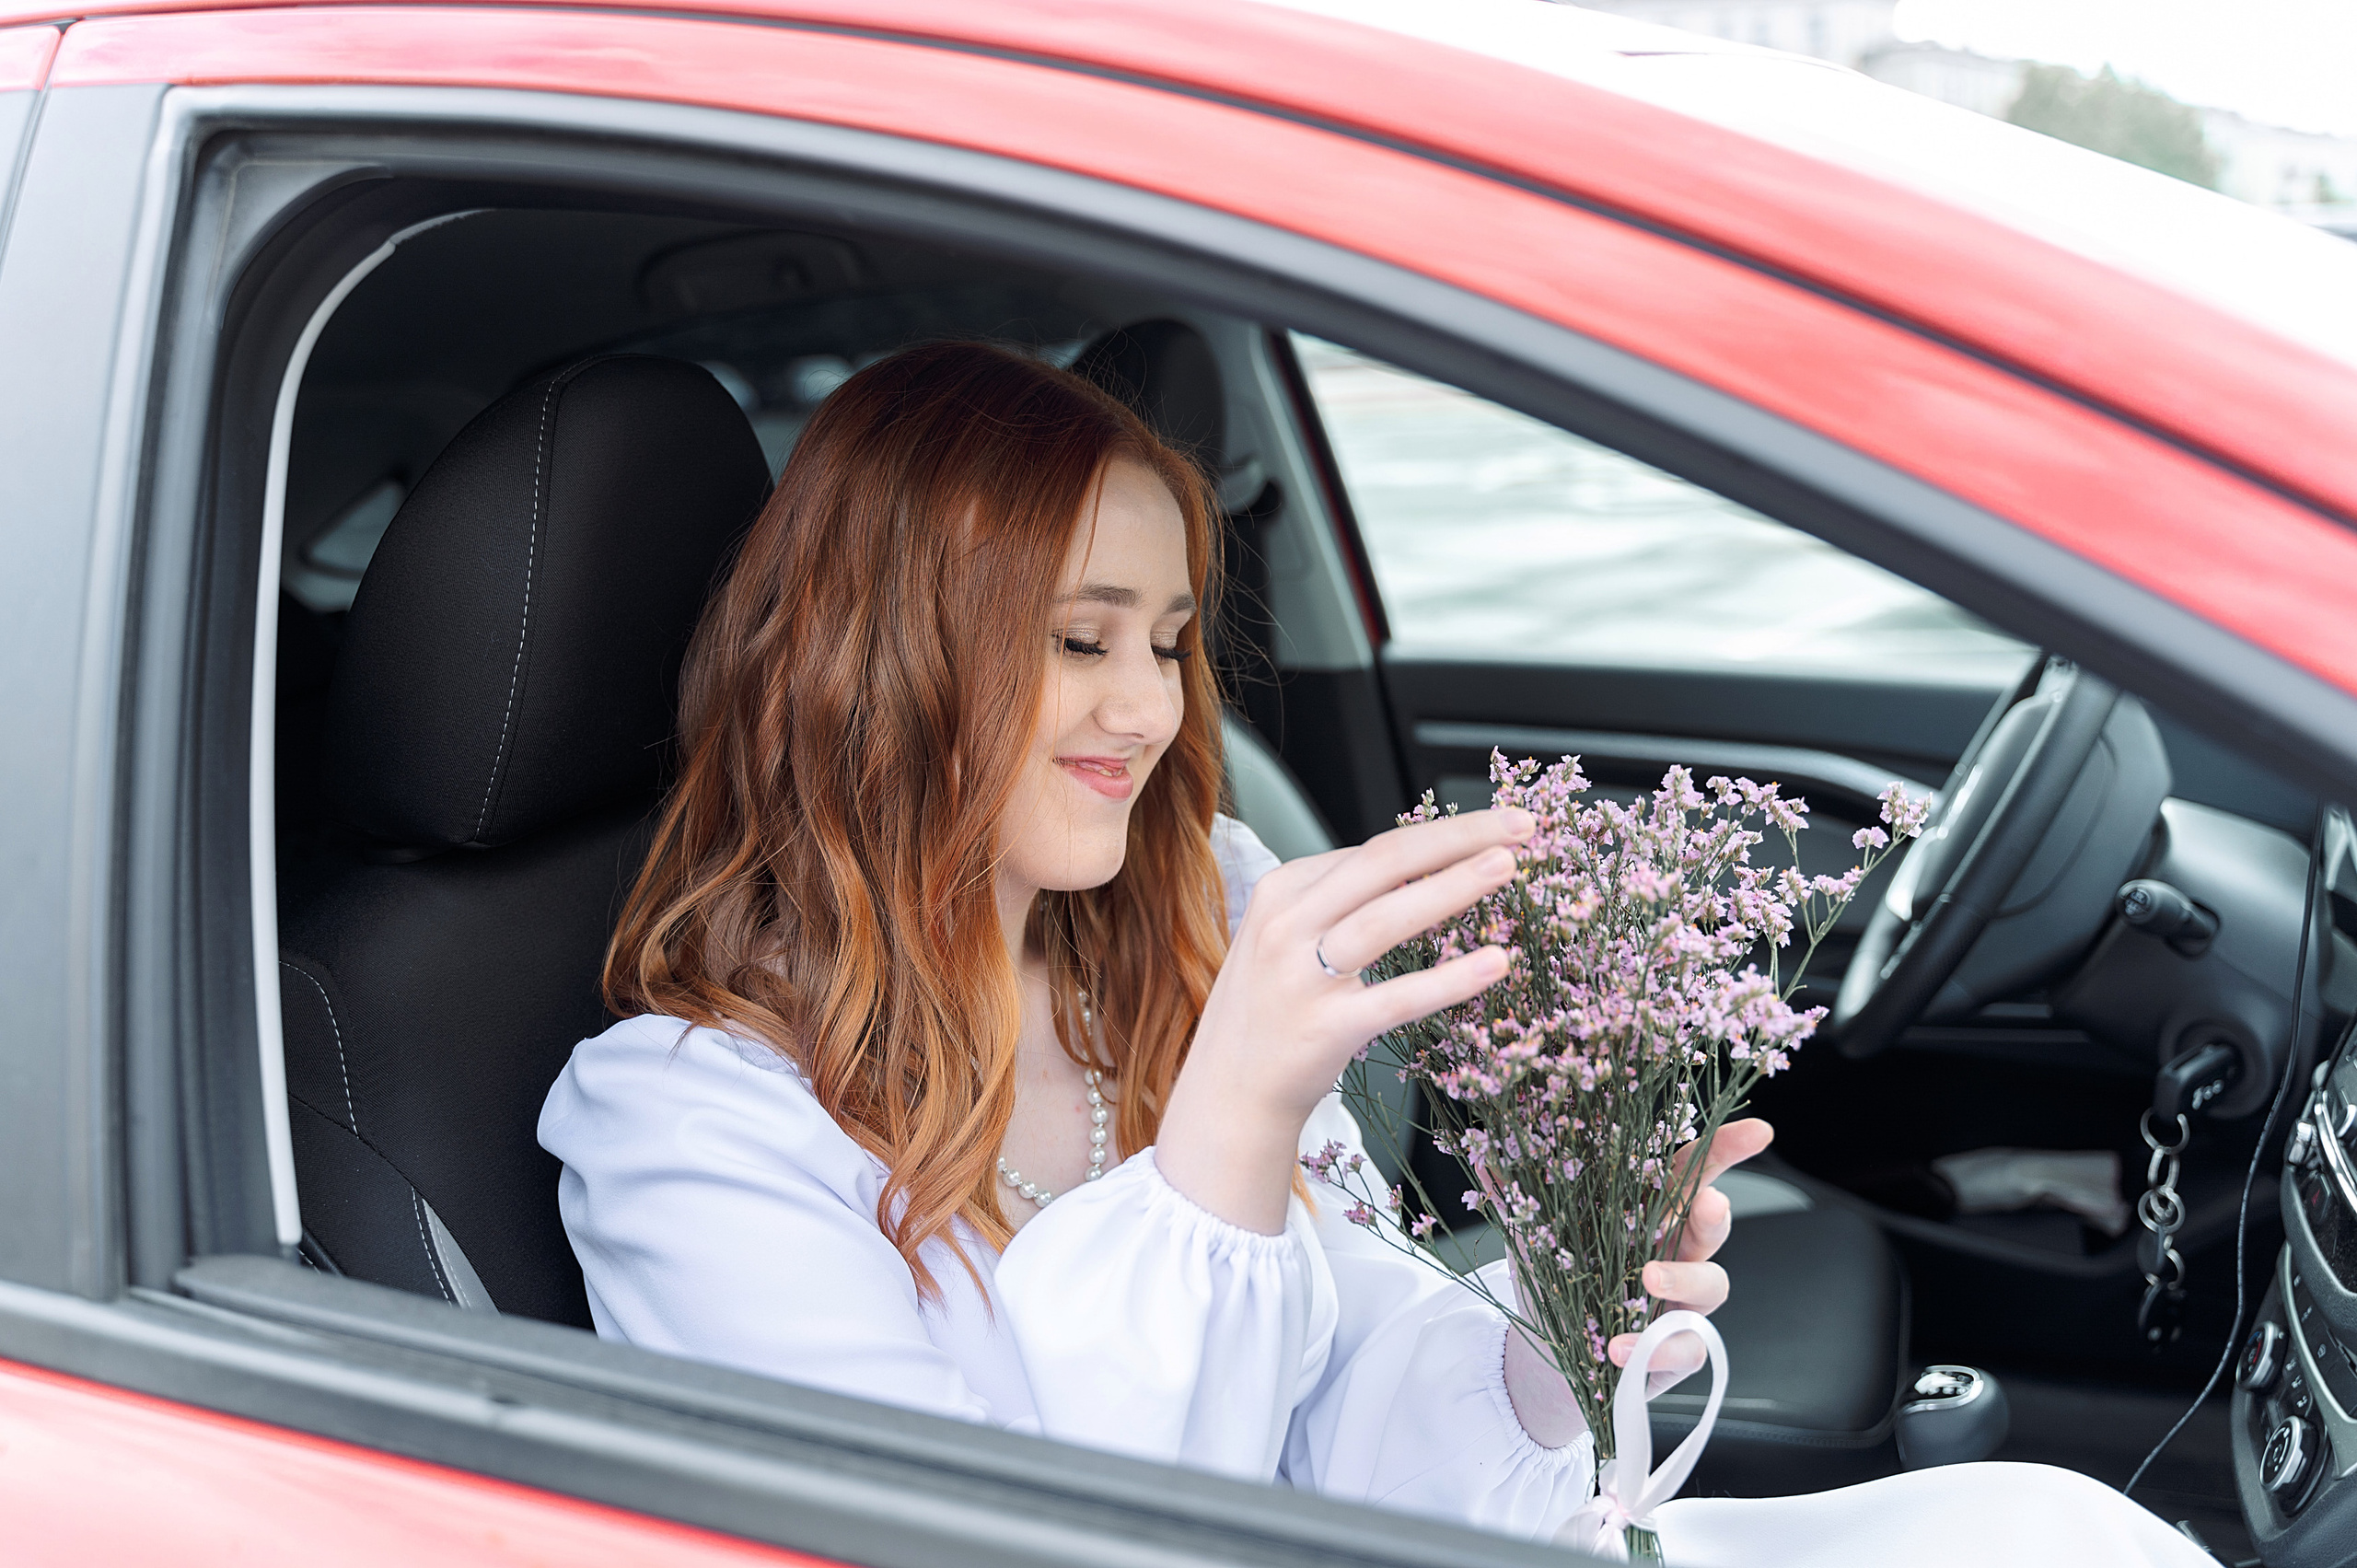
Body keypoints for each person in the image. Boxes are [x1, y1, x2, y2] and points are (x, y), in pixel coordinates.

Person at [540, 342, 2207, 1564]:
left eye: (1176, 643)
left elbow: (1337, 1428)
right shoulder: (692, 1129)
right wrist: (1230, 1129)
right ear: (881, 663)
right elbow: (981, 1539)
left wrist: (1559, 1330)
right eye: (1077, 642)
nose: (1149, 712)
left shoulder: (1186, 920)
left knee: (2064, 1531)